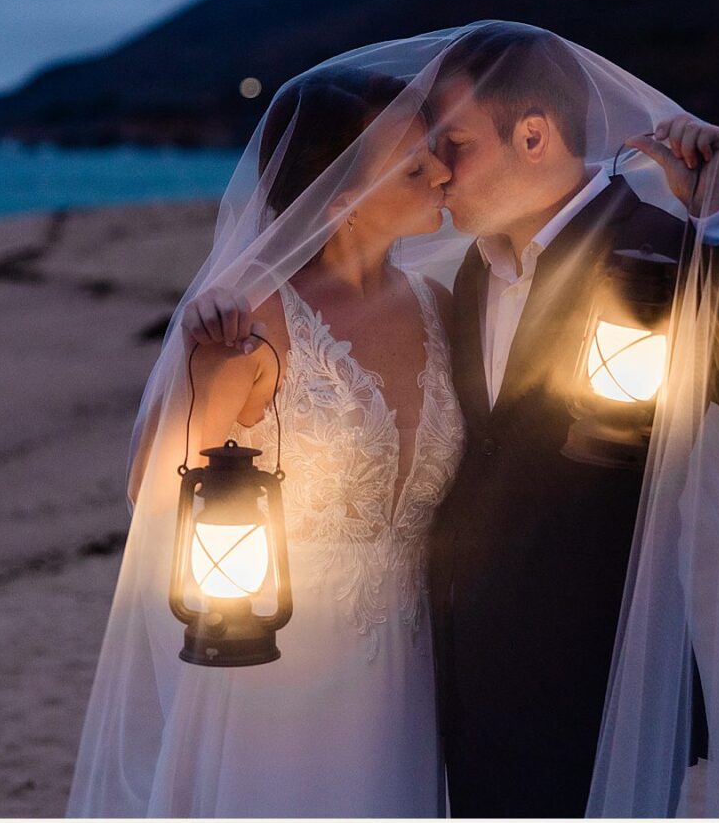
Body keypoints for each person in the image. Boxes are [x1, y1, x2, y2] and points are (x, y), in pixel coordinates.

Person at [157, 21, 719, 818]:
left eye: (455, 142)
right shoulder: (466, 278)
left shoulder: (661, 254)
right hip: (447, 691)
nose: (437, 167)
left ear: (533, 136)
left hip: (595, 687)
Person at [67, 63, 463, 816]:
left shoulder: (440, 306)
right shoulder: (255, 320)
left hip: (410, 670)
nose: (444, 172)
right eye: (416, 167)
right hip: (274, 669)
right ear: (341, 198)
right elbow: (152, 493)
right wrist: (203, 372)